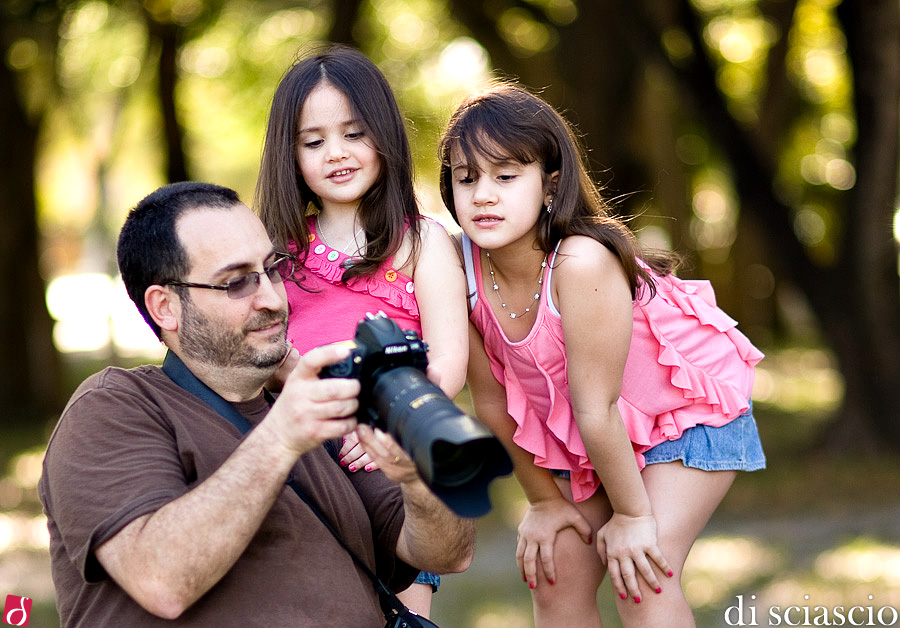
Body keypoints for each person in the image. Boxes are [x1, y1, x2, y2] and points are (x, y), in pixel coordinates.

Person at [38, 181, 476, 628]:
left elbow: (449, 552)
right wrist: (282, 437)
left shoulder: (311, 410)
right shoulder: (115, 406)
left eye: (272, 269)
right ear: (165, 307)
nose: (272, 298)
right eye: (236, 282)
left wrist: (418, 477)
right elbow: (161, 580)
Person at [438, 82, 765, 628]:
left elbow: (597, 405)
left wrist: (634, 516)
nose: (484, 195)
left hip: (680, 416)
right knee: (556, 570)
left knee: (641, 575)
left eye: (506, 175)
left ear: (550, 184)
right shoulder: (460, 270)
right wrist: (544, 504)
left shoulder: (581, 263)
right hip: (597, 432)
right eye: (466, 178)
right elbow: (491, 404)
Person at [255, 44, 469, 617]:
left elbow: (448, 359)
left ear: (384, 136)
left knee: (403, 609)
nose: (337, 154)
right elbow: (265, 352)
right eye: (314, 141)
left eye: (354, 133)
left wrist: (389, 417)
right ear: (290, 153)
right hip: (305, 459)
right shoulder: (277, 253)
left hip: (390, 452)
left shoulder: (422, 243)